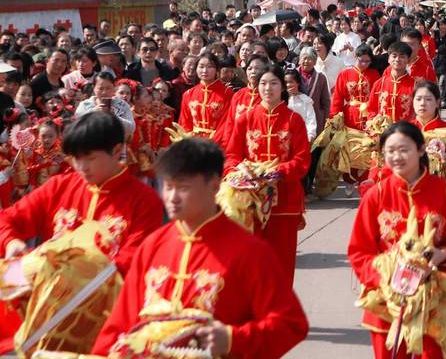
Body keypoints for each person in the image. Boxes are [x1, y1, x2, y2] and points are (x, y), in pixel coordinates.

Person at [92, 139, 308, 358]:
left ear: (214, 185)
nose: (172, 198)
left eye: (183, 188)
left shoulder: (250, 252)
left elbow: (290, 324)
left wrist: (233, 339)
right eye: (168, 186)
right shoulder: (152, 246)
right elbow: (120, 323)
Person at [348, 121, 446, 359]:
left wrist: (442, 254)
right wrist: (388, 275)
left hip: (435, 300)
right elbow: (358, 251)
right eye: (390, 151)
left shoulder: (445, 192)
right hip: (387, 303)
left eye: (404, 149)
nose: (397, 157)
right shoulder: (376, 195)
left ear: (421, 150)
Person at [0, 112, 163, 275]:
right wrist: (11, 242)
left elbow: (135, 259)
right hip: (51, 292)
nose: (82, 167)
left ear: (116, 150)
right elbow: (7, 219)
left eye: (90, 158)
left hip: (109, 295)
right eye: (76, 158)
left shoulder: (144, 200)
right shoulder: (60, 186)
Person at [224, 65, 311, 281]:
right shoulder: (245, 118)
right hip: (249, 201)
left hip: (285, 201)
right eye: (263, 83)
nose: (267, 88)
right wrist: (242, 173)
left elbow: (302, 160)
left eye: (273, 83)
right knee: (251, 262)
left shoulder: (293, 120)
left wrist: (278, 172)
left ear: (283, 87)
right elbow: (231, 156)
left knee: (282, 262)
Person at [177, 52, 234, 143]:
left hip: (217, 144)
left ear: (217, 70)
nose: (205, 70)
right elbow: (184, 122)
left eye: (210, 67)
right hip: (193, 144)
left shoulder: (227, 93)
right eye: (201, 66)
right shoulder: (188, 94)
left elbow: (227, 123)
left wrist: (213, 142)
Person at [330, 45, 380, 129]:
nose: (364, 64)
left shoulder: (374, 74)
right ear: (355, 57)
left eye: (367, 61)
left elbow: (378, 97)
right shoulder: (344, 74)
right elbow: (337, 97)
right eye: (361, 60)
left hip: (369, 115)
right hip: (350, 115)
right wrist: (335, 116)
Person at [366, 41, 417, 124]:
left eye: (402, 56)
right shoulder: (379, 84)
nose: (397, 59)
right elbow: (371, 110)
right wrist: (374, 123)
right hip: (382, 133)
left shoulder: (415, 85)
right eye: (394, 56)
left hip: (406, 132)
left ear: (408, 60)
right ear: (389, 59)